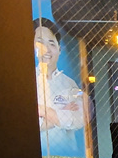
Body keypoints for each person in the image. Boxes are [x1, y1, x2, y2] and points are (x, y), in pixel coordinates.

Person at [34, 18, 85, 150]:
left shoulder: (70, 83)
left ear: (59, 49)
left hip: (68, 155)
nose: (46, 49)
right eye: (40, 43)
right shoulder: (25, 82)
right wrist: (62, 114)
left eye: (51, 43)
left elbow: (80, 119)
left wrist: (44, 111)